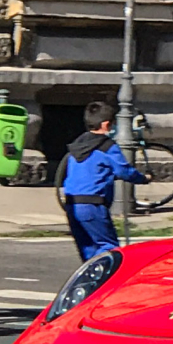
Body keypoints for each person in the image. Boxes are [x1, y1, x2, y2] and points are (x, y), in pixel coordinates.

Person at [56, 99, 147, 263]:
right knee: (109, 249)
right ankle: (110, 284)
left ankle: (92, 283)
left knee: (88, 251)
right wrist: (143, 178)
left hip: (72, 203)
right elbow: (124, 171)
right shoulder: (107, 146)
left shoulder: (77, 145)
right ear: (106, 125)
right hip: (93, 205)